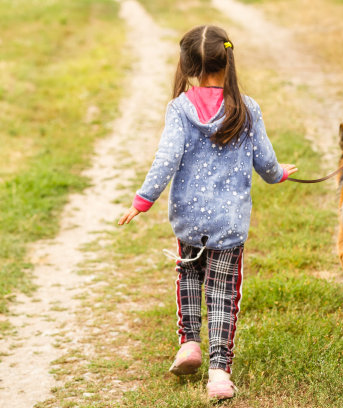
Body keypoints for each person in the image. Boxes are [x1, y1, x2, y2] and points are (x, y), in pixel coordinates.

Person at [117, 24, 297, 400]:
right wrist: (279, 174)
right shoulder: (247, 109)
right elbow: (265, 162)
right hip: (229, 224)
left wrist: (142, 200)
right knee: (222, 294)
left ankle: (189, 344)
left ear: (187, 64)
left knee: (188, 278)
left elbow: (166, 159)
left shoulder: (180, 109)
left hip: (188, 221)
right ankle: (218, 373)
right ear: (227, 60)